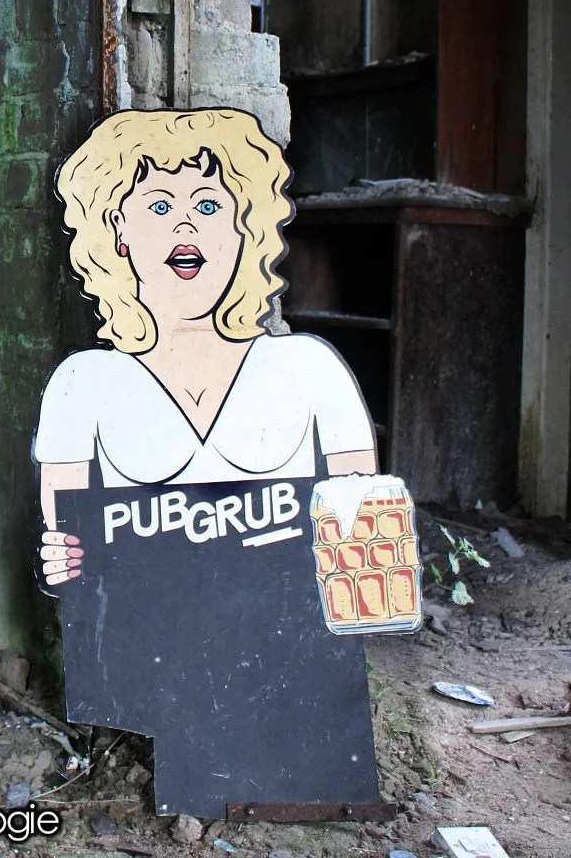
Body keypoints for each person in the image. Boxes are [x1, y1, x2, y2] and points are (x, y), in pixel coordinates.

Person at [32, 107, 385, 818]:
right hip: (156, 678)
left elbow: (366, 547)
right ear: (118, 233)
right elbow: (67, 550)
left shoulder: (311, 371)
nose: (185, 228)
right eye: (159, 206)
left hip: (294, 684)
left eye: (209, 205)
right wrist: (61, 562)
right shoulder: (82, 385)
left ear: (243, 229)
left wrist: (364, 571)